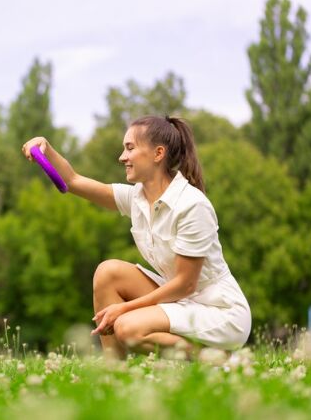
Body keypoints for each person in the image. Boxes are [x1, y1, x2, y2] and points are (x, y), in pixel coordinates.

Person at [21, 115, 251, 358]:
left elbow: (186, 284)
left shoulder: (192, 205)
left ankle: (220, 360)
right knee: (108, 273)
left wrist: (124, 308)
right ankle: (113, 373)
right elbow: (73, 180)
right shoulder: (137, 199)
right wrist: (46, 147)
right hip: (182, 301)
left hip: (219, 311)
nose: (122, 157)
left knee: (128, 328)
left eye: (130, 148)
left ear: (158, 153)